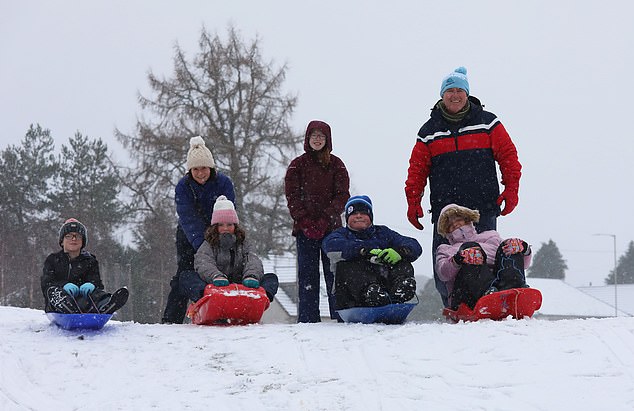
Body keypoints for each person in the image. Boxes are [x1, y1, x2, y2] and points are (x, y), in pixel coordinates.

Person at [404, 66, 523, 307]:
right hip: (446, 212)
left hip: (483, 207)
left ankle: (492, 299)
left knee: (487, 257)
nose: (455, 95)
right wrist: (413, 201)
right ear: (442, 96)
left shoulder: (488, 122)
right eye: (450, 91)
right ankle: (453, 304)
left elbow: (508, 156)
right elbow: (417, 170)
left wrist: (511, 189)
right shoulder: (429, 132)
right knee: (447, 263)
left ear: (467, 94)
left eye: (459, 90)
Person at [162, 136, 235, 324]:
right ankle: (172, 319)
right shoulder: (183, 187)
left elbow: (227, 210)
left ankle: (220, 313)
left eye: (204, 168)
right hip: (189, 236)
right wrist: (203, 246)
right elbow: (187, 218)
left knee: (221, 271)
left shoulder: (224, 183)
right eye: (196, 169)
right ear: (190, 170)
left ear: (210, 168)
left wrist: (221, 237)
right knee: (184, 274)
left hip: (219, 233)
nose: (200, 173)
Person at [285, 120, 350, 323]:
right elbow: (292, 196)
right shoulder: (297, 165)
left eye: (321, 136)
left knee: (334, 273)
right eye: (314, 135)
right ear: (307, 138)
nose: (317, 139)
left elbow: (342, 195)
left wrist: (325, 219)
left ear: (327, 139)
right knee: (307, 275)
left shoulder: (336, 165)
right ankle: (307, 318)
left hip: (331, 230)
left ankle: (339, 315)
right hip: (304, 230)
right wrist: (305, 221)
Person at [322, 195, 422, 310]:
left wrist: (399, 252)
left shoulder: (383, 233)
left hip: (384, 287)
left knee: (402, 262)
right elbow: (330, 245)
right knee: (346, 265)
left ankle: (399, 290)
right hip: (352, 299)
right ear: (347, 217)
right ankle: (371, 292)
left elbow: (413, 245)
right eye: (354, 213)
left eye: (363, 213)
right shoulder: (340, 235)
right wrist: (363, 250)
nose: (358, 216)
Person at [179, 196, 279, 303]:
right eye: (221, 225)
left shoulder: (244, 243)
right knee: (186, 276)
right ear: (215, 227)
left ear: (235, 226)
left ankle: (259, 300)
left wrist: (251, 276)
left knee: (271, 278)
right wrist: (216, 276)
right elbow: (204, 263)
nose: (225, 228)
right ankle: (205, 299)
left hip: (242, 285)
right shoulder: (208, 245)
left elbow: (252, 260)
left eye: (229, 225)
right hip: (215, 285)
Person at [434, 204, 532, 310]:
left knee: (509, 244)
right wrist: (457, 259)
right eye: (449, 224)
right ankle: (487, 293)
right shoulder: (445, 249)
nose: (455, 224)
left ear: (467, 219)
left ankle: (514, 288)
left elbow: (524, 264)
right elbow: (443, 274)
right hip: (467, 294)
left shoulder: (491, 236)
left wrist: (524, 249)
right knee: (470, 249)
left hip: (499, 283)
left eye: (458, 219)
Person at [41, 218, 129, 314]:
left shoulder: (90, 260)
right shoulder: (53, 260)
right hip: (58, 304)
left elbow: (97, 282)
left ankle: (106, 305)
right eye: (69, 236)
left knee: (97, 294)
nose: (73, 239)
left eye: (78, 236)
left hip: (83, 302)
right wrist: (63, 285)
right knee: (54, 292)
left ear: (83, 241)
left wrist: (91, 285)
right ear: (62, 241)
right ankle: (66, 307)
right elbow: (47, 283)